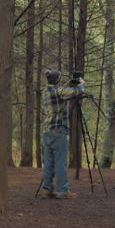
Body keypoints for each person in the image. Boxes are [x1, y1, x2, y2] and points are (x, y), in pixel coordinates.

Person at [41, 69, 85, 199]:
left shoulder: (45, 92)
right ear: (57, 80)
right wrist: (81, 83)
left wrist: (68, 84)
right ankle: (63, 190)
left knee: (48, 162)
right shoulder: (58, 91)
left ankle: (47, 188)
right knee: (60, 162)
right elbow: (77, 92)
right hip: (58, 131)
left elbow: (60, 91)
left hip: (47, 132)